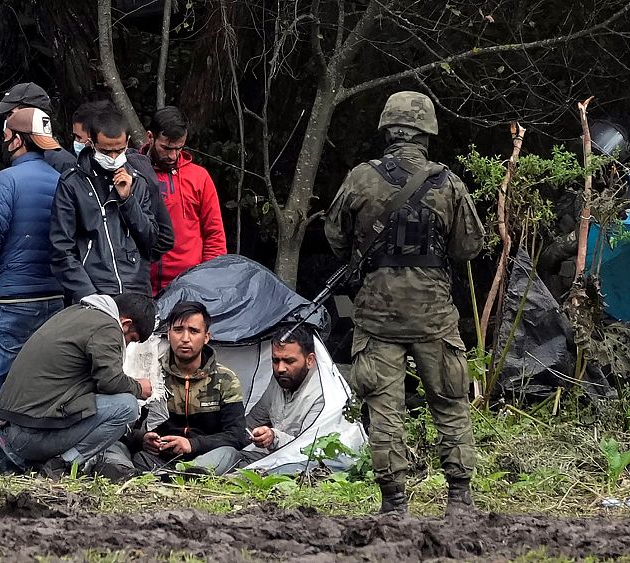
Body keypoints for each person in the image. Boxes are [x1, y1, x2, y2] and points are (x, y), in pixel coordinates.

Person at [324, 91, 485, 517]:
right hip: (433, 314)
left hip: (377, 315)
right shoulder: (448, 182)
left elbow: (336, 238)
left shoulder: (361, 178)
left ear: (387, 130)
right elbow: (469, 246)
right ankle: (459, 498)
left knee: (384, 410)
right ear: (427, 132)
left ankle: (394, 504)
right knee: (450, 402)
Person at [0, 107, 66, 424]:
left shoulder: (7, 180)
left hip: (11, 300)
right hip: (53, 299)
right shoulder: (61, 181)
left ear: (16, 140)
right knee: (36, 387)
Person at [0, 293, 155, 477]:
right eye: (131, 339)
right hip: (27, 436)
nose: (127, 346)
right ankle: (62, 465)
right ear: (125, 324)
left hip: (10, 429)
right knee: (127, 407)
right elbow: (110, 382)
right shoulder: (107, 327)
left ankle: (44, 464)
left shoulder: (75, 314)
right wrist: (138, 388)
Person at [104, 301, 246, 476]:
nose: (185, 338)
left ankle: (187, 475)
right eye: (178, 330)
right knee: (112, 444)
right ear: (169, 334)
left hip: (203, 457)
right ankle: (125, 474)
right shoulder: (150, 373)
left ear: (206, 337)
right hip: (154, 459)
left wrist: (192, 445)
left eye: (193, 331)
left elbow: (236, 435)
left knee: (229, 453)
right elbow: (127, 428)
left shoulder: (225, 379)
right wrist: (143, 439)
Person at [50, 105, 159, 301]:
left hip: (135, 290)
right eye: (106, 151)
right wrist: (88, 294)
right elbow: (61, 249)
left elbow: (150, 239)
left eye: (119, 150)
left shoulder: (138, 180)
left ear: (127, 143)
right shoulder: (72, 183)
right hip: (93, 290)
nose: (114, 158)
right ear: (91, 143)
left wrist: (127, 200)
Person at [205, 325, 325, 474]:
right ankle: (185, 471)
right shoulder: (278, 383)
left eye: (289, 361)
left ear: (310, 360)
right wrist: (211, 439)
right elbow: (251, 423)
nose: (280, 368)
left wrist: (273, 437)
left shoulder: (323, 395)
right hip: (270, 458)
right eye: (276, 360)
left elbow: (309, 449)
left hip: (299, 466)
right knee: (227, 453)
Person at [72, 100, 174, 270]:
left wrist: (135, 264)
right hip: (92, 281)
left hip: (132, 279)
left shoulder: (139, 172)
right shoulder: (76, 177)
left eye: (79, 138)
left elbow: (163, 236)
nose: (77, 143)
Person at [143, 107, 226, 294]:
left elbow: (215, 235)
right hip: (142, 284)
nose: (172, 156)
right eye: (166, 148)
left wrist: (208, 280)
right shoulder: (133, 172)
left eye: (179, 148)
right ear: (150, 137)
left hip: (190, 284)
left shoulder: (199, 177)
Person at [0, 82, 76, 173]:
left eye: (10, 115)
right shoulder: (15, 156)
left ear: (34, 114)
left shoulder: (62, 163)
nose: (7, 121)